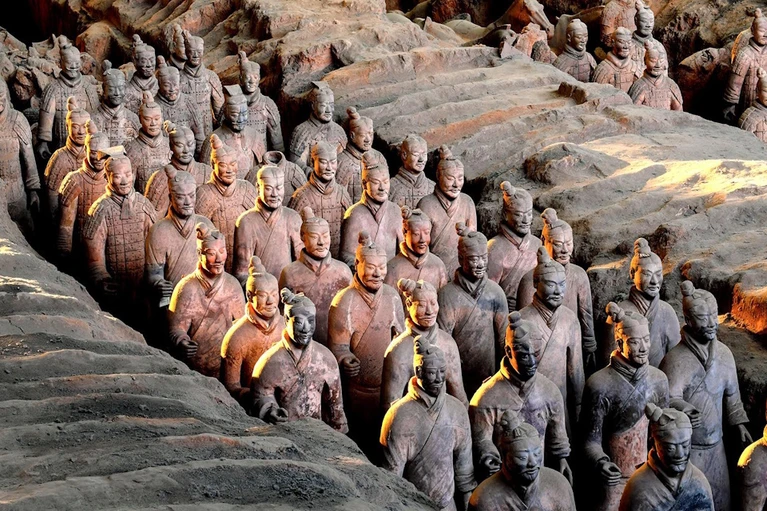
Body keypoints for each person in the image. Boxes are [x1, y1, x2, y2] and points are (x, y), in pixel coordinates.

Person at [470, 312, 571, 483]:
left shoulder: (550, 391)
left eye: (536, 354)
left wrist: (562, 460)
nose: (532, 362)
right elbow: (482, 442)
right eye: (524, 355)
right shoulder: (486, 398)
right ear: (509, 351)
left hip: (539, 481)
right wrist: (488, 456)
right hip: (501, 483)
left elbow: (557, 440)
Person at [380, 339, 476, 511]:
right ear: (419, 371)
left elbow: (464, 472)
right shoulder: (399, 416)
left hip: (448, 506)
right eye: (432, 372)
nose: (439, 379)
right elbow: (391, 481)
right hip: (413, 507)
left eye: (442, 371)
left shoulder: (456, 410)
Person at [251, 288, 348, 432]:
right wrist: (271, 410)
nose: (306, 329)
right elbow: (260, 397)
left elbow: (335, 407)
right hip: (284, 435)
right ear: (286, 320)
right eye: (299, 322)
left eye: (311, 321)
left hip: (318, 435)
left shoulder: (326, 358)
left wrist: (340, 436)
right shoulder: (270, 362)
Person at [167, 224, 245, 376]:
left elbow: (241, 326)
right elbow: (176, 329)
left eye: (222, 251)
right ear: (199, 253)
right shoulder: (186, 287)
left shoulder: (233, 285)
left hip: (228, 367)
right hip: (195, 369)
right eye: (211, 253)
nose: (219, 259)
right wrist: (182, 341)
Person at [468, 410, 576, 511]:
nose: (533, 463)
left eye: (537, 454)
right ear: (504, 455)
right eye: (522, 458)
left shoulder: (559, 485)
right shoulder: (483, 498)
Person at [619, 403, 715, 511]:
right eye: (670, 448)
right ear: (653, 444)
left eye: (685, 445)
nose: (680, 454)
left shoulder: (698, 482)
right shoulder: (638, 486)